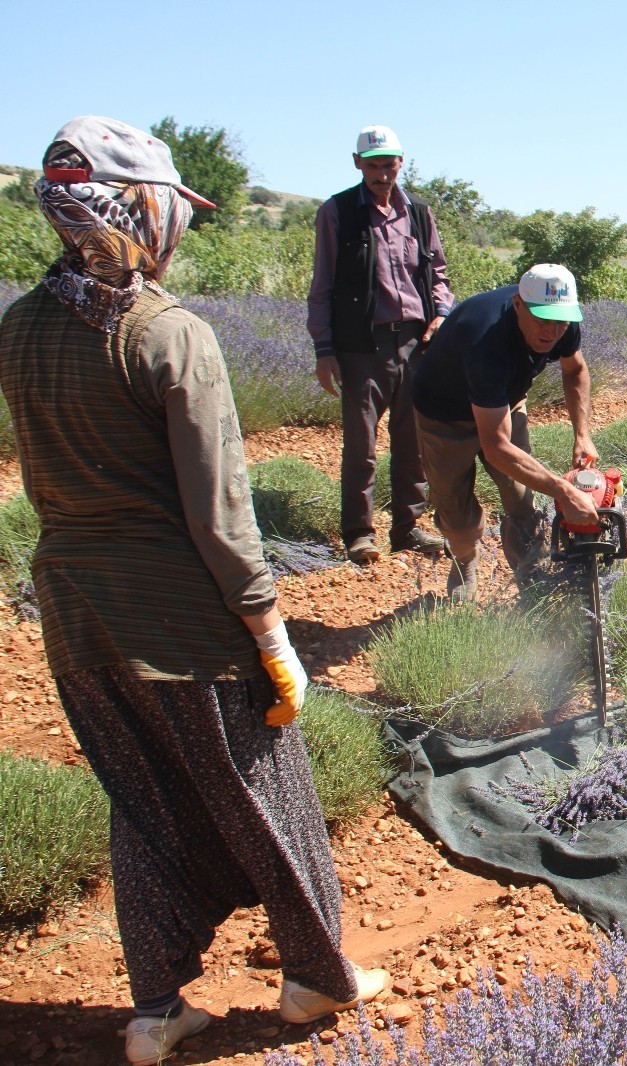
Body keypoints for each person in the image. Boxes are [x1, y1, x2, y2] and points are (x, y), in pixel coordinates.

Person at [0, 116, 387, 1066]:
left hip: (77, 613)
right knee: (267, 790)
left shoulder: (19, 325)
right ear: (138, 209)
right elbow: (221, 516)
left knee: (141, 802)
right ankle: (315, 979)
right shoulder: (169, 332)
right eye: (174, 209)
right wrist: (270, 631)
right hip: (182, 621)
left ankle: (155, 1012)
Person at [410, 263, 601, 601]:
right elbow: (496, 447)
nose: (552, 331)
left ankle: (532, 582)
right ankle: (464, 555)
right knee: (458, 520)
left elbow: (576, 370)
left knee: (522, 500)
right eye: (541, 319)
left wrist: (582, 433)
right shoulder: (485, 341)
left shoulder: (561, 324)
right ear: (517, 305)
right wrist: (564, 492)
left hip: (504, 400)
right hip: (444, 414)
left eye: (560, 321)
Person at [306, 124, 451, 564]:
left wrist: (442, 315)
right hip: (360, 347)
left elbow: (438, 275)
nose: (382, 174)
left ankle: (407, 529)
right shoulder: (337, 213)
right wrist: (324, 350)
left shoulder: (420, 214)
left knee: (413, 443)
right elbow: (323, 285)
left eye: (389, 165)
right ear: (357, 164)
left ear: (401, 163)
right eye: (373, 166)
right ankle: (360, 533)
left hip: (414, 344)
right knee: (361, 446)